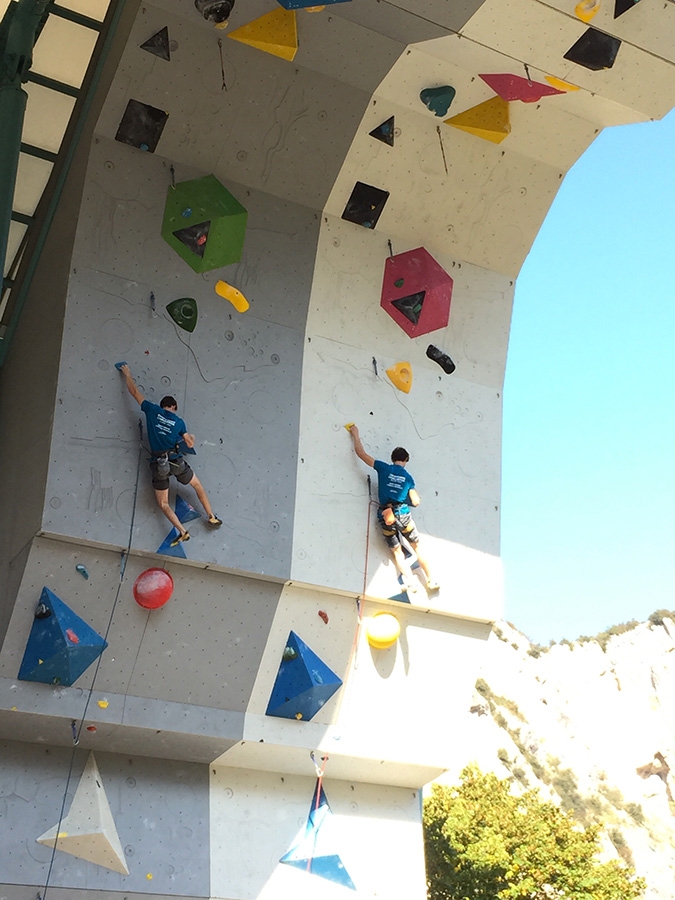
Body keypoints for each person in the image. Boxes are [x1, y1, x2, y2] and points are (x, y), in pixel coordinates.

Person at [119, 364, 221, 545]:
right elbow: (189, 443)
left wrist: (127, 374)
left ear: (163, 406)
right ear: (173, 407)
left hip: (159, 465)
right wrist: (191, 437)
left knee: (164, 504)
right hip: (176, 462)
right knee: (197, 486)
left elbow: (134, 391)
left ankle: (182, 532)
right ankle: (212, 516)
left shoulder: (152, 410)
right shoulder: (179, 422)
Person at [348, 425, 439, 594]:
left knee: (397, 552)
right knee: (417, 547)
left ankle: (411, 583)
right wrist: (402, 496)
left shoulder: (383, 468)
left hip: (386, 516)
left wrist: (355, 434)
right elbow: (416, 501)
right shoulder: (408, 477)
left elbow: (361, 454)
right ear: (405, 460)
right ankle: (431, 580)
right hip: (403, 514)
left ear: (392, 458)